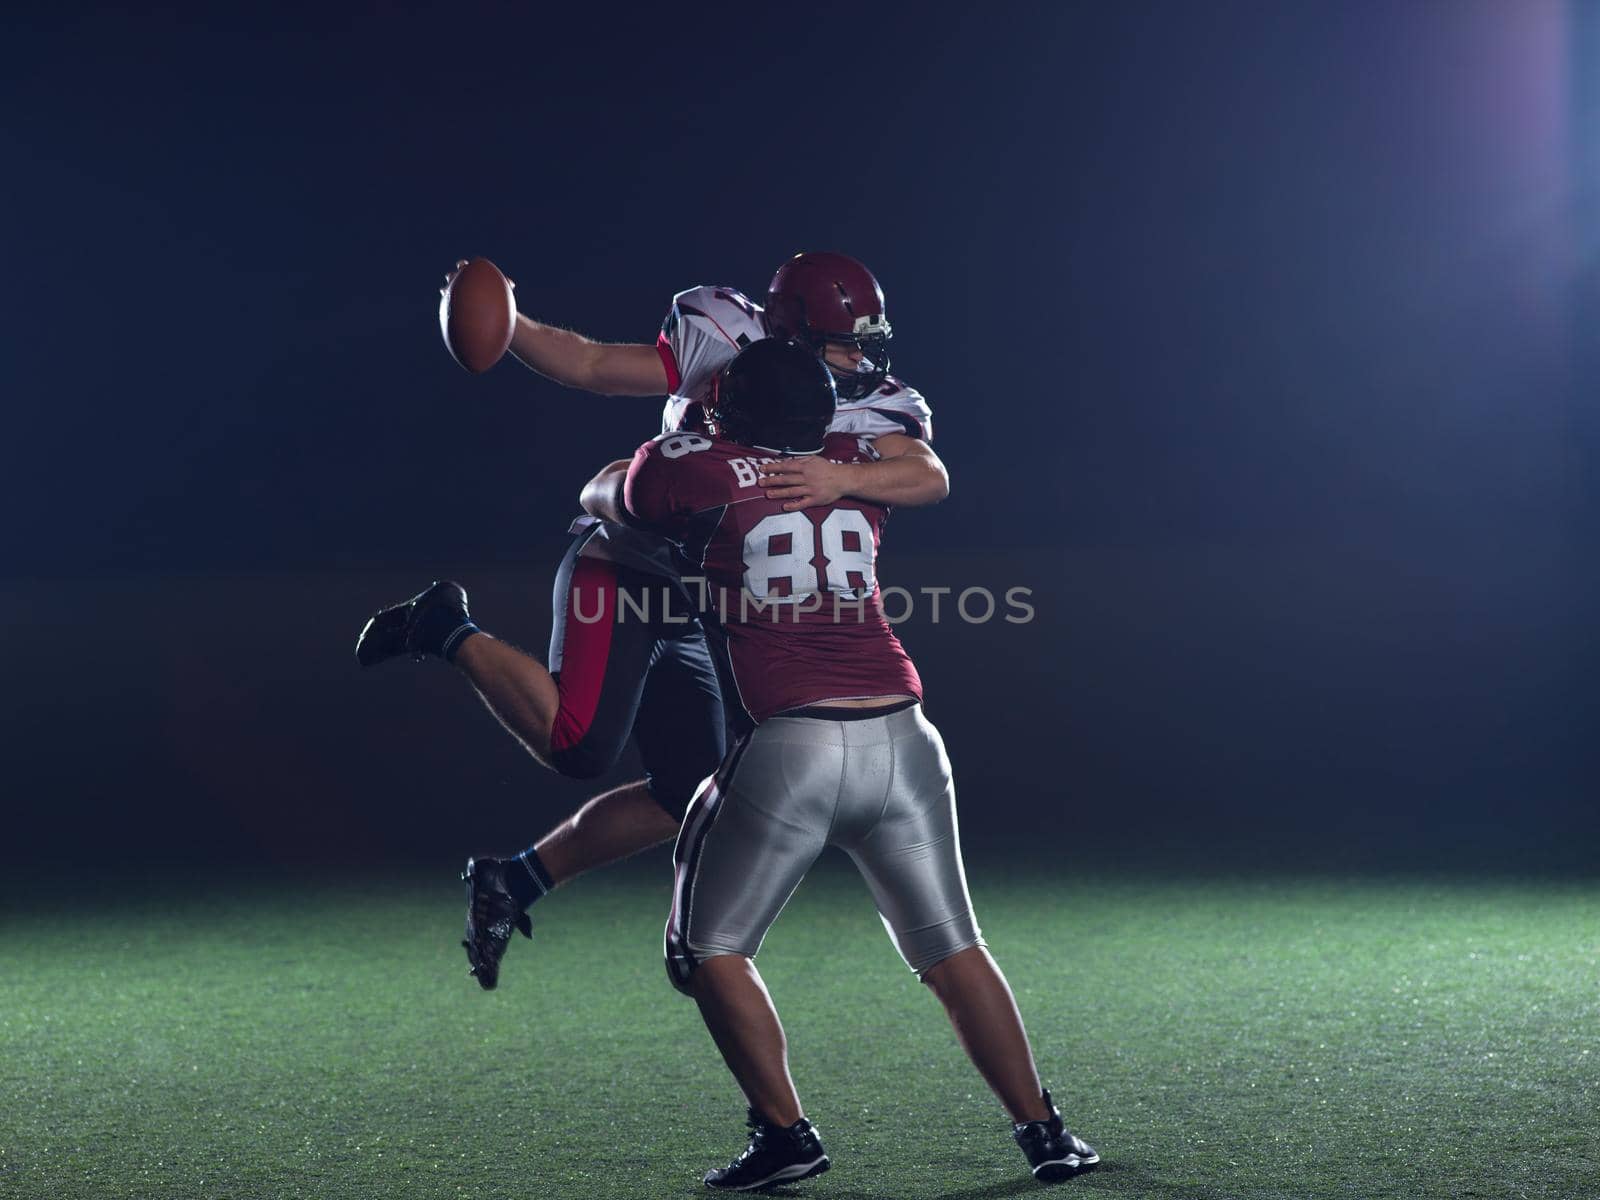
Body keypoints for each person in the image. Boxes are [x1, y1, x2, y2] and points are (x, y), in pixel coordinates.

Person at [602, 337, 1101, 1188]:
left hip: (793, 744)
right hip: (906, 740)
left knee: (706, 949)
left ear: (730, 411)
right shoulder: (856, 459)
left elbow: (611, 495)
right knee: (950, 948)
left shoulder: (699, 468)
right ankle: (1047, 1133)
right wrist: (842, 470)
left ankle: (786, 1137)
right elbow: (927, 469)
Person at [385, 252, 948, 989]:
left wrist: (840, 476)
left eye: (864, 341)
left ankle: (514, 882)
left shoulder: (880, 406)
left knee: (690, 787)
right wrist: (509, 323)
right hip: (628, 568)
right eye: (842, 342)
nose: (857, 359)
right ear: (784, 332)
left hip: (710, 596)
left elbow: (928, 475)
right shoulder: (722, 337)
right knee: (578, 745)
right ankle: (444, 627)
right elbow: (590, 366)